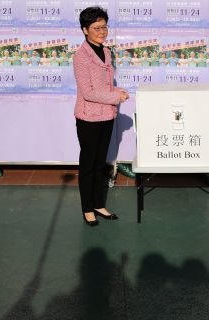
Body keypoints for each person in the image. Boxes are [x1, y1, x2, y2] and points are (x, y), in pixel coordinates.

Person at [73, 6, 129, 226]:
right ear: (85, 30)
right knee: (88, 165)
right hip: (88, 118)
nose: (102, 31)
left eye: (104, 26)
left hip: (106, 116)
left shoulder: (106, 51)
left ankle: (98, 204)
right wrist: (115, 96)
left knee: (99, 165)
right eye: (96, 28)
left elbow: (105, 85)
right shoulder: (80, 57)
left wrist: (117, 91)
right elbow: (88, 92)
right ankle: (87, 208)